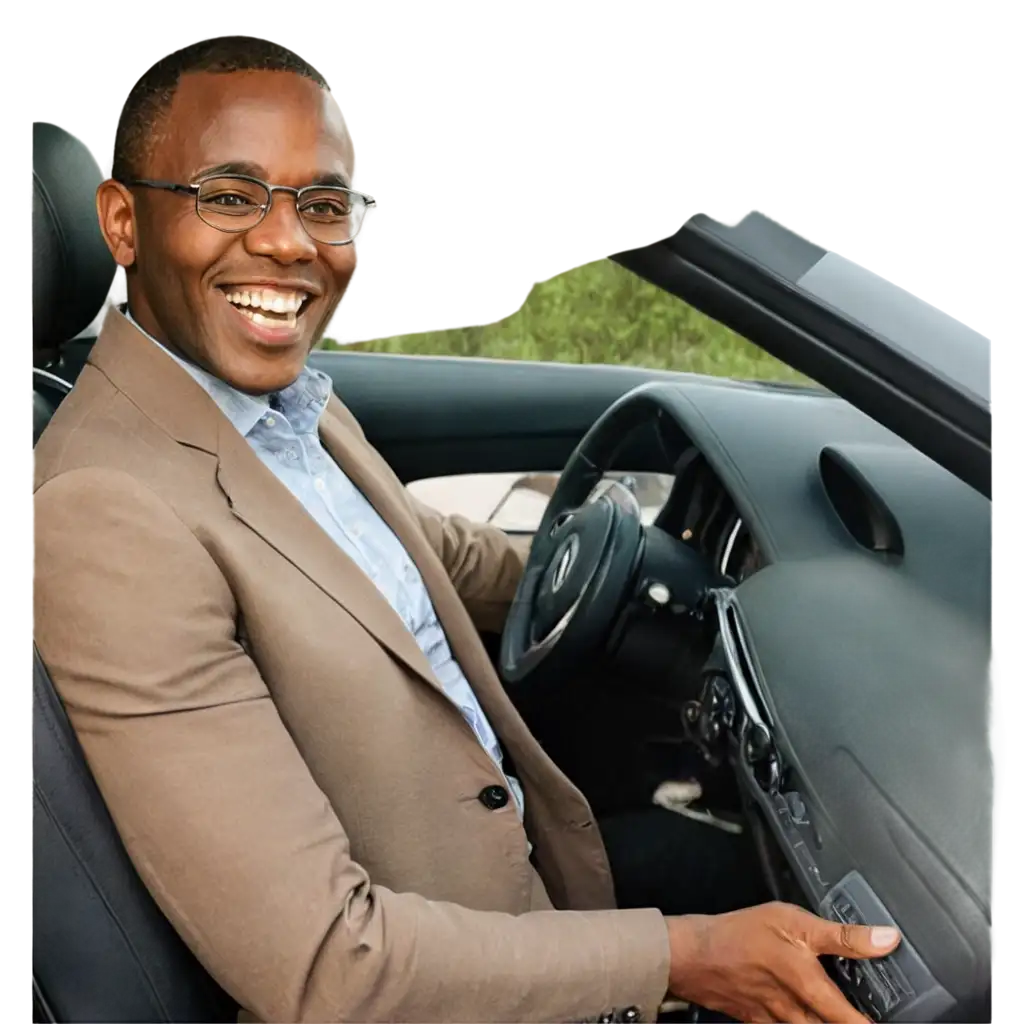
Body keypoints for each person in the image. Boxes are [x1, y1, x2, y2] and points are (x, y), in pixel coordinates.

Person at [33, 32, 899, 1024]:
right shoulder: (107, 516)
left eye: (322, 204)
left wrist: (618, 565)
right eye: (229, 196)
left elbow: (420, 552)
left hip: (524, 884)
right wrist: (682, 956)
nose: (288, 243)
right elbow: (327, 965)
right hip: (437, 982)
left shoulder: (275, 400)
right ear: (121, 221)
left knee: (740, 878)